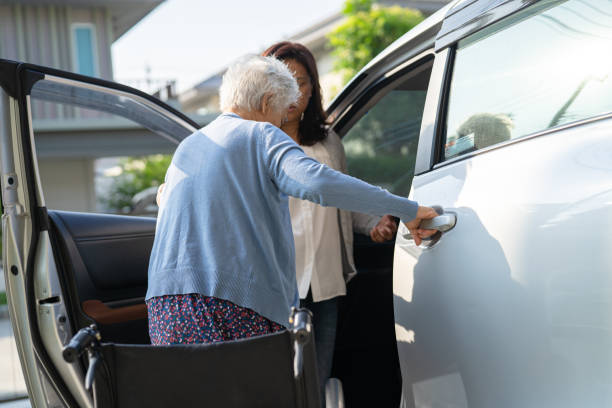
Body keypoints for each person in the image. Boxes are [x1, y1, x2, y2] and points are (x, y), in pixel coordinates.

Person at [146, 55, 437, 349]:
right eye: (282, 114)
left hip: (164, 309)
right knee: (266, 394)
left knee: (191, 395)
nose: (282, 123)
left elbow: (170, 205)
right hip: (233, 307)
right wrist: (406, 209)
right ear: (266, 101)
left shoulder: (191, 145)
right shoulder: (261, 134)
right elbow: (320, 182)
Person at [261, 41, 398, 392]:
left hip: (325, 283)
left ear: (312, 89)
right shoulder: (253, 143)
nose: (292, 92)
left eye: (301, 82)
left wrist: (373, 223)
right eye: (283, 80)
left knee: (317, 381)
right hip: (276, 284)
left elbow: (341, 202)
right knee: (277, 382)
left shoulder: (328, 142)